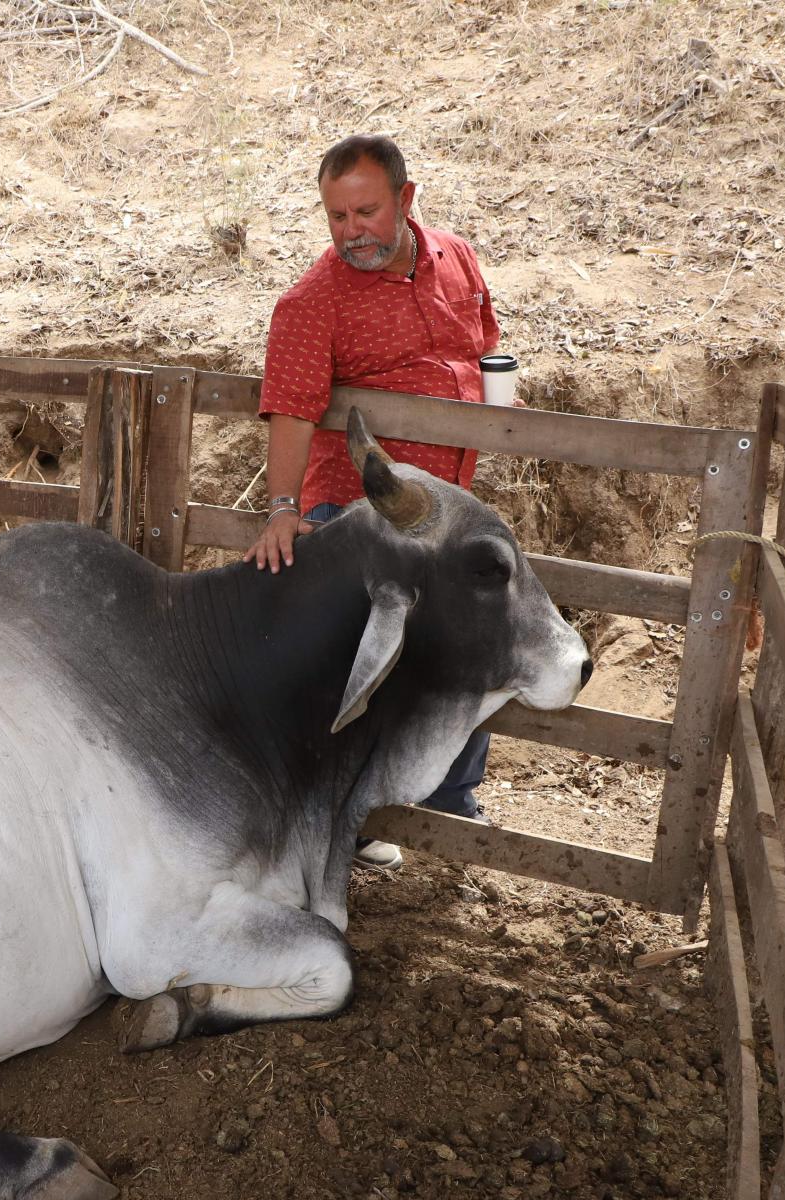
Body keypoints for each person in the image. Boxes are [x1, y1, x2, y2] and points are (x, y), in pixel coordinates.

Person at [245, 134, 504, 869]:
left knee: (476, 638)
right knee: (368, 662)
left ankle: (450, 806)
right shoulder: (311, 301)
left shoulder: (456, 257)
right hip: (363, 512)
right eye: (336, 216)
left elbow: (485, 347)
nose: (351, 230)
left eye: (365, 211)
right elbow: (292, 409)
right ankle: (354, 815)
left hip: (450, 505)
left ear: (406, 199)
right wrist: (282, 507)